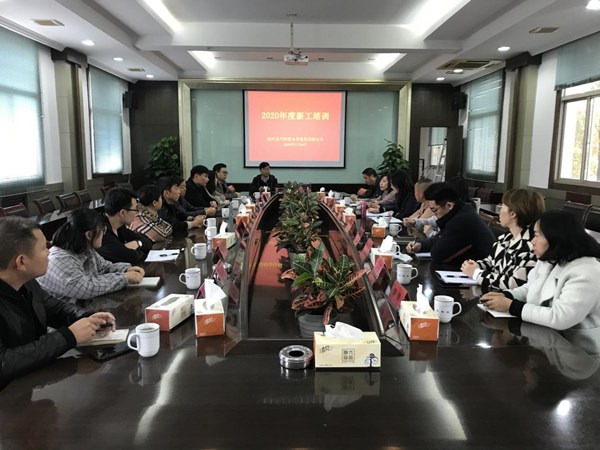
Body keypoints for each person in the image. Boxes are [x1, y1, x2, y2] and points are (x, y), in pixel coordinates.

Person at [0, 217, 116, 388]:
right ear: (21, 262)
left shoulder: (27, 283)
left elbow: (55, 309)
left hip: (33, 380)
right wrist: (68, 336)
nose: (49, 252)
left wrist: (88, 317)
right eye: (43, 248)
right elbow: (4, 363)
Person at [480, 210, 600, 332]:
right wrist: (506, 295)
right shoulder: (551, 259)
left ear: (555, 237)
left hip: (575, 341)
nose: (532, 241)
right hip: (545, 334)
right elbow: (529, 289)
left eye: (537, 235)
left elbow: (560, 318)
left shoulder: (587, 272)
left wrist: (511, 306)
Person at [37, 209, 144, 302]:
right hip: (67, 317)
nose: (104, 234)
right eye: (102, 230)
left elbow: (105, 267)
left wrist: (126, 269)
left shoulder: (85, 249)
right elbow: (86, 288)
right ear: (89, 234)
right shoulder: (60, 259)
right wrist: (124, 278)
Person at [461, 188, 545, 290]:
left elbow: (514, 283)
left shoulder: (531, 245)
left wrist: (476, 273)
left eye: (502, 206)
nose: (499, 210)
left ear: (513, 213)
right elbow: (491, 262)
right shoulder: (506, 238)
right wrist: (475, 265)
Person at [406, 182, 495, 263]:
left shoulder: (461, 220)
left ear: (449, 205)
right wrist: (421, 245)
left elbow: (438, 255)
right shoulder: (459, 211)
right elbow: (440, 237)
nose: (434, 214)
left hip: (480, 269)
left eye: (434, 210)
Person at [97, 187, 153, 265]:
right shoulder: (101, 231)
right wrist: (137, 248)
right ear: (122, 213)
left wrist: (137, 243)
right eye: (135, 210)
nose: (137, 213)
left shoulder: (119, 226)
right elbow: (132, 257)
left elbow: (148, 241)